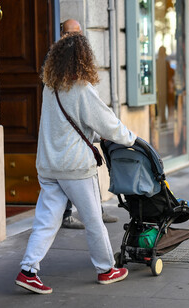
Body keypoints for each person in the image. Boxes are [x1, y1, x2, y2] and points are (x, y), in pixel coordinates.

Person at [15, 33, 136, 294]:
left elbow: (65, 127)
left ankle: (28, 270)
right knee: (93, 220)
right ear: (84, 59)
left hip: (48, 166)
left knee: (46, 221)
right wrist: (132, 139)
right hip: (75, 169)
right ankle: (106, 269)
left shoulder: (50, 87)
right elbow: (108, 123)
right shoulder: (82, 89)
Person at [58, 19, 119, 229]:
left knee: (88, 171)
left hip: (82, 127)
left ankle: (97, 211)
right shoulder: (56, 59)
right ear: (61, 34)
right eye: (68, 33)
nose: (73, 37)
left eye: (76, 33)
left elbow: (90, 99)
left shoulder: (83, 55)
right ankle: (70, 215)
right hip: (66, 130)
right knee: (68, 175)